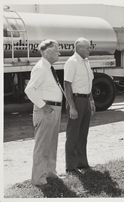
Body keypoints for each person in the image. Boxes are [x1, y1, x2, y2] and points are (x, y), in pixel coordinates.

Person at [25, 39, 62, 185]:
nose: (59, 52)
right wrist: (43, 106)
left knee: (51, 143)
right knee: (42, 145)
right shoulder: (41, 68)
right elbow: (29, 90)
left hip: (54, 109)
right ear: (48, 52)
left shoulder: (48, 67)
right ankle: (38, 178)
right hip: (46, 110)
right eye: (57, 50)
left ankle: (50, 173)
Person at [64, 37, 95, 173]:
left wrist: (92, 100)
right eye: (87, 47)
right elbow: (67, 85)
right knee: (73, 134)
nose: (89, 50)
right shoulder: (72, 62)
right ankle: (71, 166)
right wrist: (72, 106)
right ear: (79, 48)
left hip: (86, 99)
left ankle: (82, 163)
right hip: (76, 100)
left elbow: (89, 83)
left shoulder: (86, 62)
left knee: (83, 133)